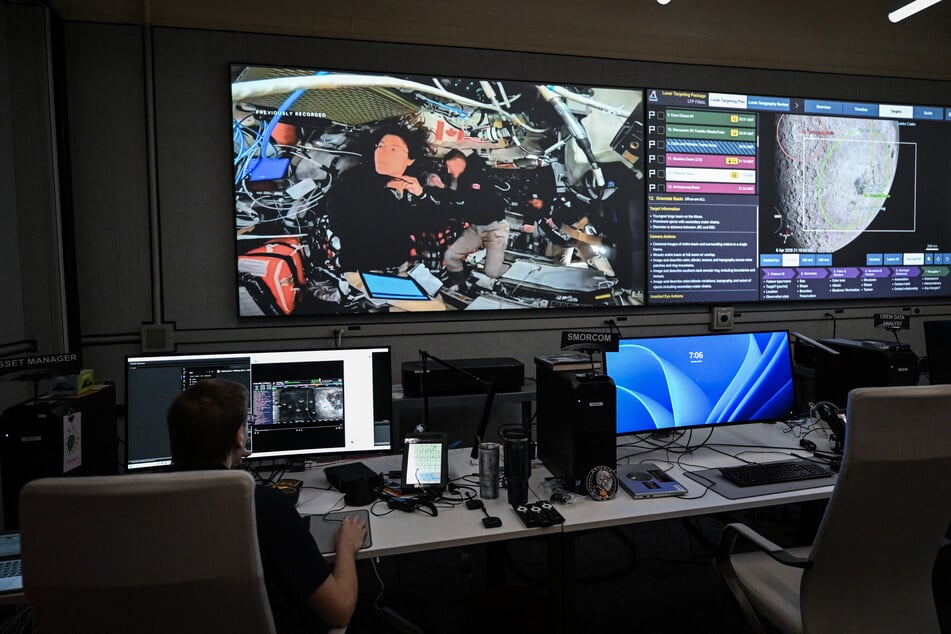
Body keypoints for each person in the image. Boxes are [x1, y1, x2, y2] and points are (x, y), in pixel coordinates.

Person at [167, 379, 366, 634]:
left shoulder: (145, 508)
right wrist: (346, 547)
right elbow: (340, 610)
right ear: (239, 437)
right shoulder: (263, 506)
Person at [323, 117, 442, 274]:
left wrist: (421, 196)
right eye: (380, 146)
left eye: (393, 149)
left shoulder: (413, 187)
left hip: (397, 267)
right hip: (359, 269)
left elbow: (431, 224)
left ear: (410, 159)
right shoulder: (354, 179)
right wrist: (383, 194)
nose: (383, 153)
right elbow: (340, 221)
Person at [429, 149, 509, 289]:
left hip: (494, 228)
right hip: (476, 228)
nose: (448, 171)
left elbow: (466, 202)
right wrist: (441, 188)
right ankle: (462, 286)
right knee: (450, 256)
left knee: (492, 272)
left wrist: (446, 195)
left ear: (458, 162)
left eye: (449, 166)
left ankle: (515, 272)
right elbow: (457, 198)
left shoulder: (477, 175)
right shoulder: (462, 180)